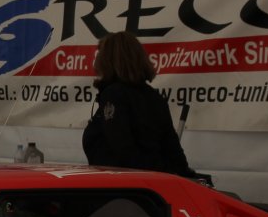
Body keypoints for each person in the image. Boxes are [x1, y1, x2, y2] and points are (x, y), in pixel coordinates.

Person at [82, 32, 195, 177]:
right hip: (151, 182)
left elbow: (122, 148)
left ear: (107, 60)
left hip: (123, 183)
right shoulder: (154, 97)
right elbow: (173, 150)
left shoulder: (114, 95)